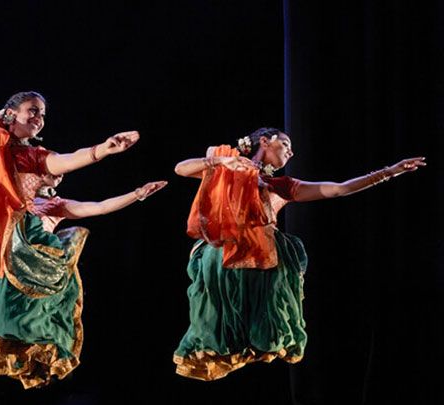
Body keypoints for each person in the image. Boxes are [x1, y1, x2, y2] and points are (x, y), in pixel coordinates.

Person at [0, 91, 161, 388]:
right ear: (10, 114)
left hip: (17, 240)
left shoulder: (36, 160)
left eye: (43, 114)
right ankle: (8, 348)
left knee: (8, 313)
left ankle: (31, 351)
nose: (39, 118)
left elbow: (71, 166)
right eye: (33, 111)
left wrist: (103, 150)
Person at [172, 127, 425, 380]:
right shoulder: (226, 168)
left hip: (262, 260)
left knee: (266, 331)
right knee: (218, 325)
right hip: (223, 257)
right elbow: (181, 169)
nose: (291, 152)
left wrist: (390, 172)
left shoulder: (280, 185)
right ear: (265, 141)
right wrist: (220, 161)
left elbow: (339, 189)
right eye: (285, 144)